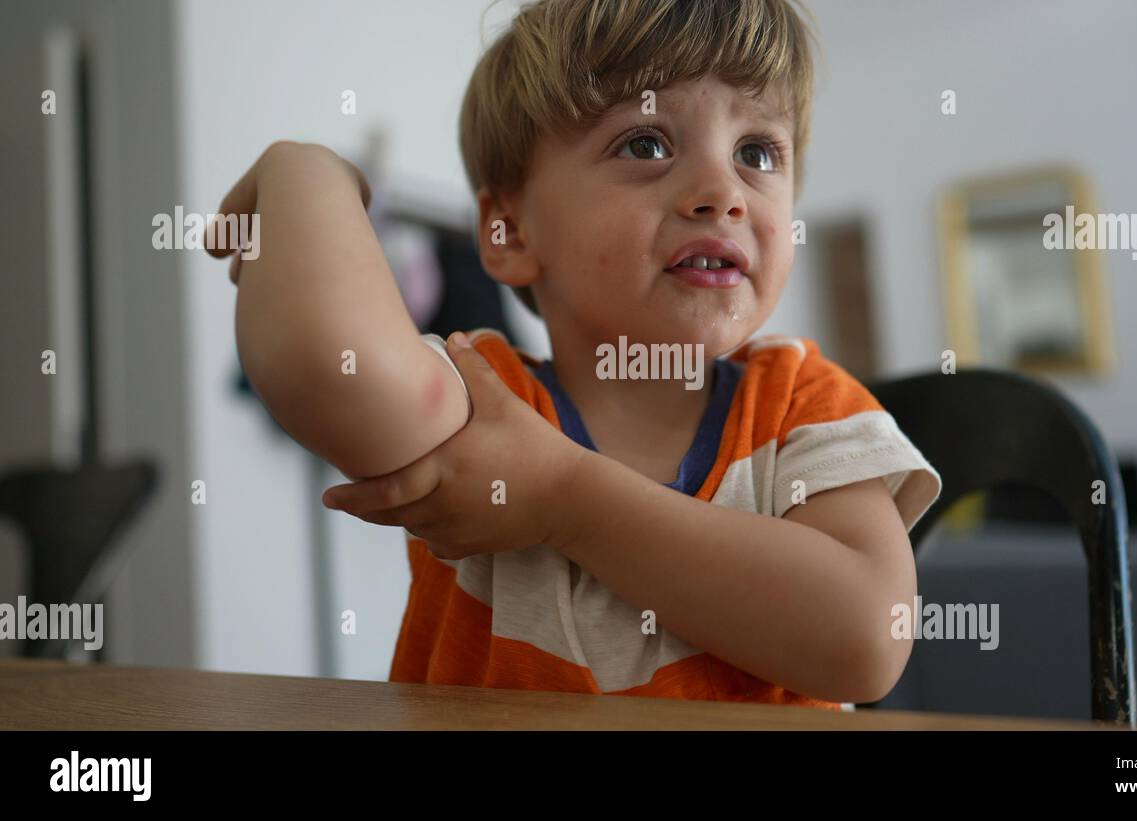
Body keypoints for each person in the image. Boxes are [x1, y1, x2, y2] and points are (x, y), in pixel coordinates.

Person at [206, 0, 941, 710]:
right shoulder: (486, 404)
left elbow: (867, 638)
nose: (723, 193)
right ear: (509, 231)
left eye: (756, 153)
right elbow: (330, 368)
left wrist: (565, 498)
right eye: (646, 144)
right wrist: (310, 172)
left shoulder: (804, 408)